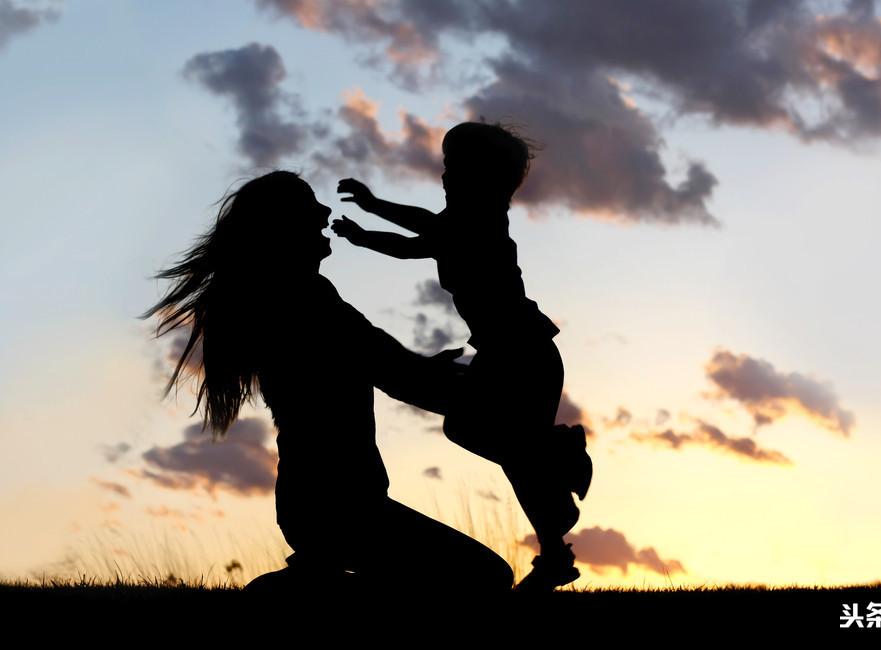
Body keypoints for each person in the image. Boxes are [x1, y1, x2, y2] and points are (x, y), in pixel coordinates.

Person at [139, 170, 513, 596]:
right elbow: (393, 372)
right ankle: (294, 588)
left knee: (462, 577)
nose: (322, 211)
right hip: (341, 510)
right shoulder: (304, 303)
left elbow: (385, 363)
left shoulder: (303, 295)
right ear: (282, 227)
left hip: (325, 507)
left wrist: (439, 376)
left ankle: (313, 577)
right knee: (486, 579)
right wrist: (493, 397)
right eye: (308, 206)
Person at [332, 121, 592, 591]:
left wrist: (369, 220)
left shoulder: (481, 220)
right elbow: (423, 235)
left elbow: (421, 237)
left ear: (484, 177)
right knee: (512, 452)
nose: (445, 176)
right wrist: (369, 226)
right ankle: (555, 529)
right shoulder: (463, 221)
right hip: (508, 354)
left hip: (524, 355)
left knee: (489, 438)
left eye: (454, 166)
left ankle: (555, 476)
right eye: (446, 165)